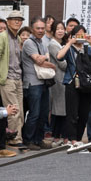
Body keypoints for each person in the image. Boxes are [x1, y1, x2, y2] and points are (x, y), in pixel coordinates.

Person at [56, 27, 91, 144]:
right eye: (77, 35)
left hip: (86, 84)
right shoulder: (70, 49)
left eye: (82, 34)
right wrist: (69, 43)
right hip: (72, 82)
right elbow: (59, 57)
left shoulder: (88, 49)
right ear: (72, 35)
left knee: (84, 113)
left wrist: (90, 42)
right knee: (72, 113)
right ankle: (72, 139)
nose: (80, 37)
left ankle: (79, 138)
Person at [0, 9, 26, 146]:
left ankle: (18, 137)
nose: (17, 21)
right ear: (8, 22)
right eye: (14, 19)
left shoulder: (17, 38)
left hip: (18, 78)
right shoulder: (2, 36)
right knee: (14, 111)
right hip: (8, 78)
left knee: (20, 112)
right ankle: (13, 139)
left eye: (20, 19)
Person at [20, 17, 54, 150]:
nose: (40, 30)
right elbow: (39, 60)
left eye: (42, 28)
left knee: (44, 113)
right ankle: (28, 140)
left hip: (43, 81)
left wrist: (45, 59)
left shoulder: (42, 42)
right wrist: (48, 61)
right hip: (32, 82)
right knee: (34, 113)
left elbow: (42, 59)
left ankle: (38, 139)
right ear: (32, 29)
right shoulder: (29, 42)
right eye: (37, 28)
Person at [48, 21, 68, 142]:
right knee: (58, 109)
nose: (60, 31)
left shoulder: (60, 44)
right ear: (53, 31)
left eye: (62, 28)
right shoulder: (53, 45)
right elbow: (63, 64)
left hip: (62, 79)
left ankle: (59, 135)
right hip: (58, 79)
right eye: (58, 29)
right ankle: (57, 135)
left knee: (61, 108)